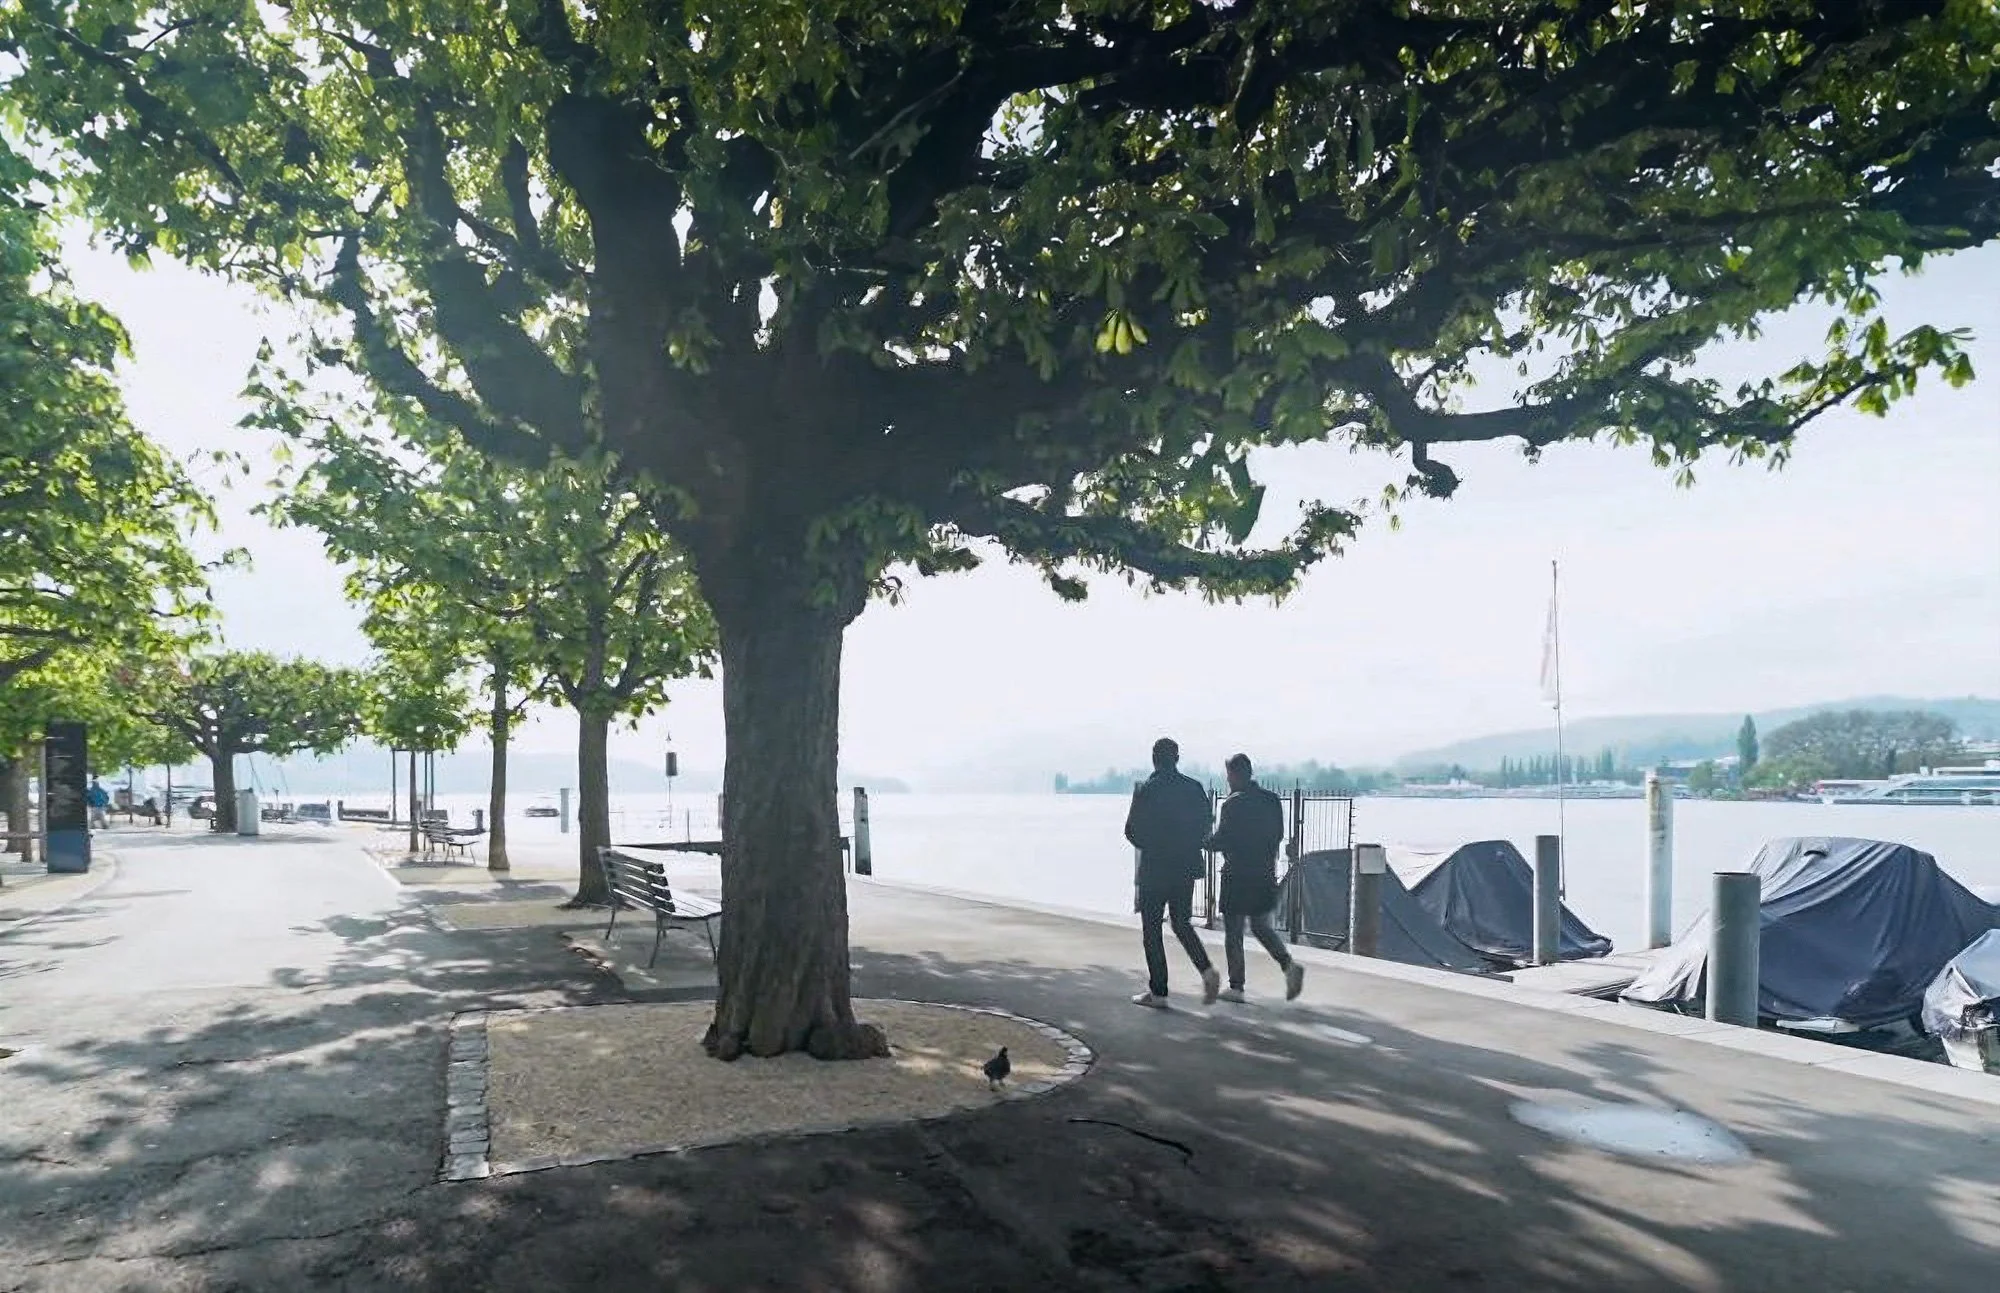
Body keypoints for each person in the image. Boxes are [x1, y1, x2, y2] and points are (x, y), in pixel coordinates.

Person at [1123, 737, 1221, 1008]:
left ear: (1154, 758)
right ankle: (1207, 970)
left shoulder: (1147, 790)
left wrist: (1153, 844)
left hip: (1155, 868)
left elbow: (1131, 831)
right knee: (1181, 923)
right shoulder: (1194, 788)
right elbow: (1206, 825)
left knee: (1152, 929)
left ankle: (1159, 992)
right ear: (1177, 758)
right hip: (1185, 867)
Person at [1206, 754, 1305, 1003]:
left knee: (1234, 932)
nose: (1228, 780)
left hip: (1236, 874)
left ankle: (1237, 986)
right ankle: (1288, 965)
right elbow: (1278, 835)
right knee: (1261, 927)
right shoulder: (1272, 801)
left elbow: (1223, 840)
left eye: (1229, 775)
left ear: (1236, 775)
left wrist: (1201, 840)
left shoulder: (1232, 805)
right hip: (1264, 873)